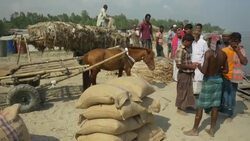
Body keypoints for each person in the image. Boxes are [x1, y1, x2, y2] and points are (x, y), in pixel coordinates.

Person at [183, 34, 228, 137]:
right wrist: (218, 70)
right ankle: (212, 130)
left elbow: (204, 71)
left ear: (210, 42)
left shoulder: (208, 53)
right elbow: (226, 70)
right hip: (218, 81)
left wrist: (198, 66)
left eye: (208, 41)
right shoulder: (223, 54)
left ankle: (195, 130)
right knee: (215, 106)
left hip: (209, 82)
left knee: (200, 106)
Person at [221, 32, 248, 120]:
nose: (234, 43)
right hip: (225, 76)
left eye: (237, 41)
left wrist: (237, 51)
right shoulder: (225, 50)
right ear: (230, 41)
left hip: (235, 77)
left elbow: (244, 62)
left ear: (240, 41)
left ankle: (230, 113)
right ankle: (223, 110)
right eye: (233, 41)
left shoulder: (242, 50)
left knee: (232, 95)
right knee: (224, 94)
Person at [175, 33, 197, 114]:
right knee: (182, 91)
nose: (191, 44)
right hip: (183, 74)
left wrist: (193, 64)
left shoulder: (186, 49)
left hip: (188, 73)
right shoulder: (180, 50)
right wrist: (191, 67)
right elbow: (179, 64)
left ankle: (188, 105)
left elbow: (186, 61)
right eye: (190, 42)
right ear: (186, 41)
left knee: (189, 91)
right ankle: (180, 108)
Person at [192, 29, 208, 95]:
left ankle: (198, 94)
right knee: (193, 80)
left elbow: (206, 54)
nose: (196, 33)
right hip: (192, 64)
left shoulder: (203, 42)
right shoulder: (192, 42)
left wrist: (201, 63)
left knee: (199, 80)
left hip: (200, 65)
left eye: (197, 31)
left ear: (200, 33)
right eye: (195, 32)